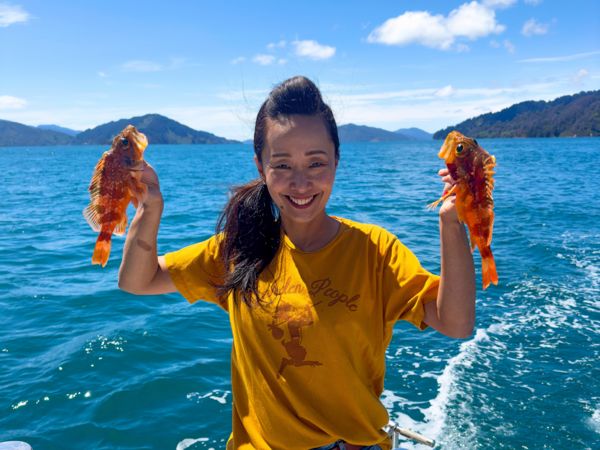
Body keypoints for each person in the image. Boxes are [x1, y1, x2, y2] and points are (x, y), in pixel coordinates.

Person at [118, 76, 476, 450]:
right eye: (283, 165)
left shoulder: (375, 251)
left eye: (316, 163)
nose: (301, 183)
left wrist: (451, 221)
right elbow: (137, 280)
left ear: (337, 160)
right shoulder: (238, 249)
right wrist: (149, 206)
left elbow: (456, 322)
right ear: (261, 166)